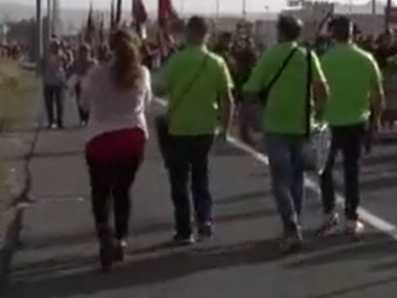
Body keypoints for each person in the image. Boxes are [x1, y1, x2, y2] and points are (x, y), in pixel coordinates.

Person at [242, 15, 329, 252]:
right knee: (297, 177)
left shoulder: (270, 56)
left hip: (276, 126)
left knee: (280, 179)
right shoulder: (309, 57)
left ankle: (290, 226)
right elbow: (322, 90)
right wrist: (319, 117)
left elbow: (250, 90)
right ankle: (295, 222)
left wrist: (245, 123)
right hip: (302, 126)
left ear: (280, 31)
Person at [154, 16, 234, 245]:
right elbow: (227, 99)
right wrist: (225, 130)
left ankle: (184, 229)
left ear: (187, 34)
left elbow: (158, 89)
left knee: (179, 181)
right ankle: (205, 221)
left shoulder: (177, 61)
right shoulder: (216, 62)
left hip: (179, 129)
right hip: (206, 129)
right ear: (207, 35)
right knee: (201, 177)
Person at [78, 29, 153, 271]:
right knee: (123, 189)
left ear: (109, 47)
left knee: (100, 191)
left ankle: (104, 235)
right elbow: (147, 103)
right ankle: (121, 238)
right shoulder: (141, 73)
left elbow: (84, 103)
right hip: (132, 138)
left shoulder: (96, 73)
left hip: (101, 139)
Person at [317, 16, 384, 238]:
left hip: (328, 122)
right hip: (356, 122)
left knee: (325, 170)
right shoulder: (366, 59)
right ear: (353, 33)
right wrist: (374, 127)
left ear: (332, 34)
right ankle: (351, 219)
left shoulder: (325, 59)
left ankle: (329, 215)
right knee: (351, 171)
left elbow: (315, 93)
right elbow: (378, 98)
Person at [41, 39, 68, 128]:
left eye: (56, 46)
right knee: (49, 103)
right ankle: (51, 121)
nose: (54, 48)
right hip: (48, 81)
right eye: (53, 46)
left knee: (60, 102)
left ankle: (60, 121)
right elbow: (42, 65)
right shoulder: (46, 56)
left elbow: (67, 63)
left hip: (59, 81)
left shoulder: (62, 55)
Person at [70, 44, 98, 126]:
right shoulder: (77, 62)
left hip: (89, 84)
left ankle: (89, 117)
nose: (84, 54)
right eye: (82, 52)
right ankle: (82, 118)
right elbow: (73, 70)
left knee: (89, 101)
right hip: (79, 83)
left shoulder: (92, 62)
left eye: (86, 52)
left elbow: (95, 71)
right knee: (80, 101)